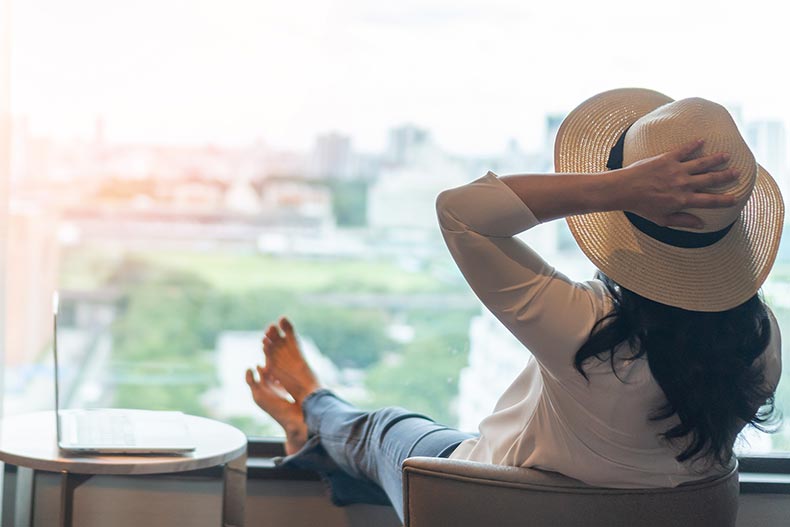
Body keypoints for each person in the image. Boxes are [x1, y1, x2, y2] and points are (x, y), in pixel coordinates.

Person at [245, 88, 783, 522]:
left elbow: (459, 211)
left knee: (383, 429)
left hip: (493, 497)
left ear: (635, 202)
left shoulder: (588, 332)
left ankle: (312, 403)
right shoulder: (761, 342)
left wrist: (616, 188)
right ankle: (308, 434)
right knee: (413, 441)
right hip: (629, 508)